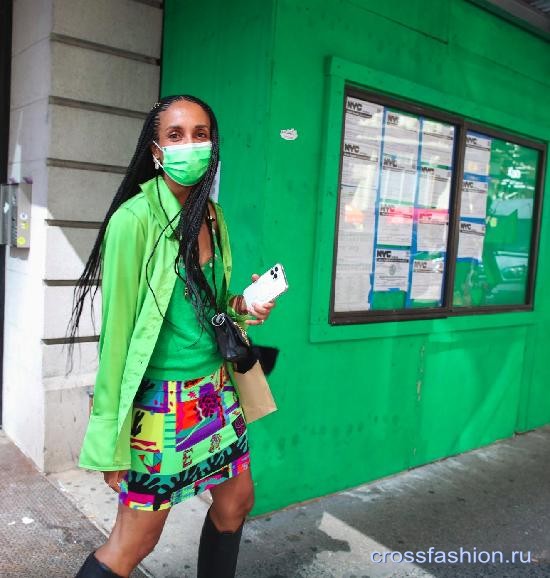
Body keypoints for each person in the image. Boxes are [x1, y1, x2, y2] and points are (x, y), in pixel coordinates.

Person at [68, 94, 275, 578]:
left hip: (216, 393)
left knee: (237, 502)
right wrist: (109, 441)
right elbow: (115, 339)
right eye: (176, 135)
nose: (190, 145)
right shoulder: (133, 221)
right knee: (134, 542)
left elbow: (210, 308)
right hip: (160, 405)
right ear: (156, 151)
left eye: (200, 134)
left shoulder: (213, 218)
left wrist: (243, 304)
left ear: (214, 144)